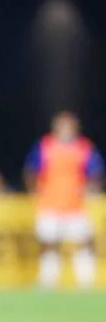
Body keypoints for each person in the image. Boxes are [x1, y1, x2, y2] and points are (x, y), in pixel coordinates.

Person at [24, 111, 103, 290]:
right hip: (50, 204)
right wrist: (33, 189)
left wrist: (92, 188)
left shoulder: (84, 147)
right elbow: (31, 169)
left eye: (69, 125)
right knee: (49, 243)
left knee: (83, 241)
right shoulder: (45, 146)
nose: (66, 129)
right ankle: (48, 281)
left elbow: (96, 172)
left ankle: (86, 281)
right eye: (62, 125)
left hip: (75, 205)